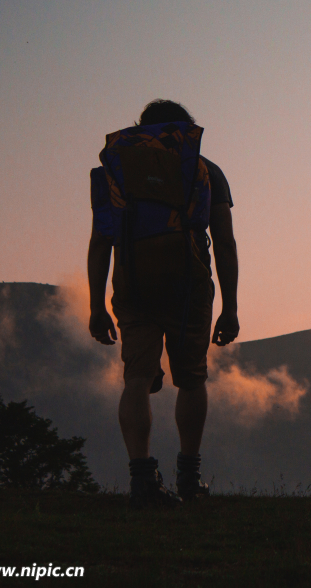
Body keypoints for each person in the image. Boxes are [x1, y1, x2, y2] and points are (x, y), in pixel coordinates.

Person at [87, 99, 239, 508]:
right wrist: (230, 306)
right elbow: (223, 242)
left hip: (132, 281)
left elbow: (102, 240)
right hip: (187, 282)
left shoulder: (120, 170)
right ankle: (188, 479)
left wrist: (96, 305)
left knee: (136, 379)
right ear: (184, 130)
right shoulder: (204, 170)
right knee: (190, 378)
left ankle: (142, 480)